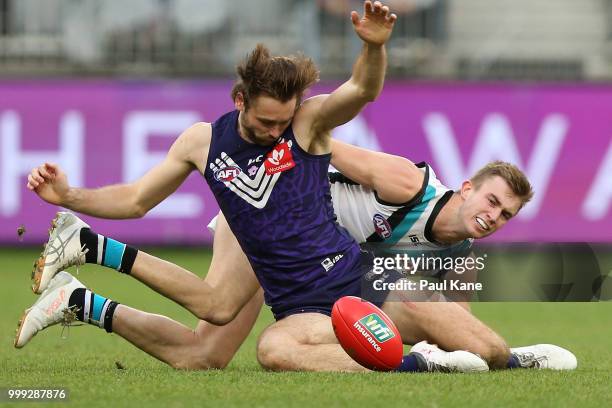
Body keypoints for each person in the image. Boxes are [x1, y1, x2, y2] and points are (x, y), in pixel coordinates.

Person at [14, 1, 576, 372]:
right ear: (239, 101)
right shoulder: (200, 142)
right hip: (291, 294)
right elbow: (135, 200)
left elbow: (359, 92)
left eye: (284, 122)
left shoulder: (306, 125)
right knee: (248, 338)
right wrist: (72, 196)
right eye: (265, 123)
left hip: (358, 282)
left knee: (486, 351)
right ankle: (422, 366)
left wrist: (374, 48)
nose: (276, 132)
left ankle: (511, 360)